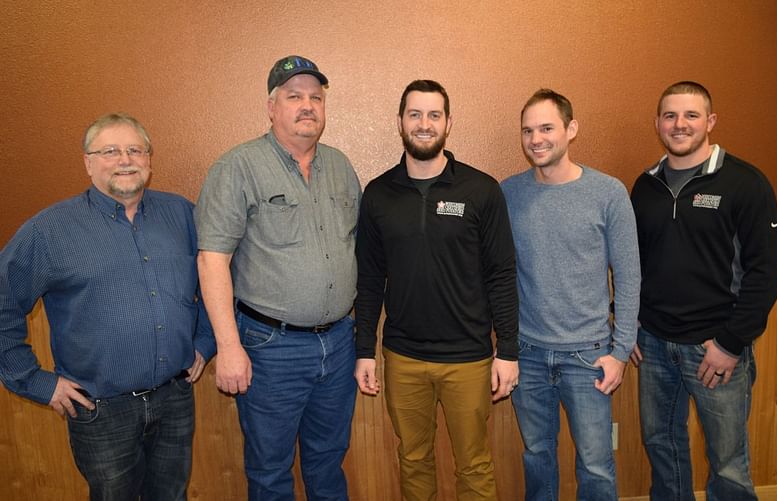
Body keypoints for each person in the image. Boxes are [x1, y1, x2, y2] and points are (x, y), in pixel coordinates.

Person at [0, 113, 215, 500]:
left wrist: (205, 340)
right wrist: (35, 381)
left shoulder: (183, 215)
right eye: (110, 151)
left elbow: (218, 279)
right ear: (87, 162)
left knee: (173, 495)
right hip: (100, 411)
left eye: (135, 149)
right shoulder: (49, 230)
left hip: (175, 398)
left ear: (149, 158)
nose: (125, 159)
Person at [195, 55, 360, 500]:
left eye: (315, 97)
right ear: (272, 107)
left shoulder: (341, 167)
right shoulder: (238, 167)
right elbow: (212, 260)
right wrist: (228, 347)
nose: (306, 106)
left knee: (329, 460)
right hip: (272, 349)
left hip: (339, 344)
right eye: (293, 97)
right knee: (270, 470)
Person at [354, 79, 519, 501]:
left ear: (448, 123)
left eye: (433, 115)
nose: (424, 124)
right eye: (415, 114)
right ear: (400, 122)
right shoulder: (378, 194)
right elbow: (370, 278)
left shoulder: (481, 190)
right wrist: (363, 350)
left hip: (469, 357)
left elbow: (501, 274)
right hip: (404, 356)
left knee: (475, 464)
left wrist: (509, 351)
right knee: (412, 458)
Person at [630, 81, 777, 500]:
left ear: (710, 121)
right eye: (670, 116)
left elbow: (766, 272)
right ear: (658, 123)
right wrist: (628, 322)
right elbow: (634, 264)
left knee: (728, 462)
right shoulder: (645, 186)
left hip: (715, 347)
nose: (680, 125)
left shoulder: (745, 183)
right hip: (655, 344)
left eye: (691, 115)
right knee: (662, 448)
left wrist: (731, 343)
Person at [500, 89, 640, 501]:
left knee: (596, 466)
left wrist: (620, 351)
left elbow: (629, 276)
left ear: (571, 129)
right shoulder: (508, 194)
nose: (536, 139)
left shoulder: (608, 192)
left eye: (546, 128)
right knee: (536, 456)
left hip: (589, 356)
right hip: (528, 353)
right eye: (528, 130)